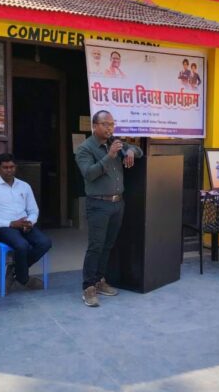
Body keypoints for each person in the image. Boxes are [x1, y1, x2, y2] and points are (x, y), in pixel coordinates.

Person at [75, 110, 143, 307]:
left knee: (108, 245)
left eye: (112, 124)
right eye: (105, 124)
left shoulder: (115, 142)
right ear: (94, 126)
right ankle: (88, 287)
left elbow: (138, 150)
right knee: (96, 246)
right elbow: (89, 174)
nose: (109, 128)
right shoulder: (85, 149)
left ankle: (99, 280)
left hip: (117, 203)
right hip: (98, 204)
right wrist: (110, 155)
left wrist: (130, 151)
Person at [0, 153, 52, 293]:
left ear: (16, 167)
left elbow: (33, 210)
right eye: (5, 167)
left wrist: (30, 222)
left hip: (24, 225)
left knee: (45, 243)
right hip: (2, 227)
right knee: (22, 245)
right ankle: (23, 279)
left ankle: (14, 270)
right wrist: (11, 224)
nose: (9, 170)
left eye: (12, 167)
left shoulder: (24, 186)